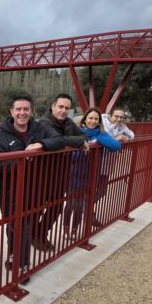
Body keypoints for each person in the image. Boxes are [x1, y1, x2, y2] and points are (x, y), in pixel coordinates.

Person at [0, 95, 65, 284]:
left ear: (31, 111)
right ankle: (17, 260)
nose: (22, 113)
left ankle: (18, 261)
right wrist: (24, 158)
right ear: (11, 112)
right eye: (18, 109)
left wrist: (40, 145)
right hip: (11, 194)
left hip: (35, 190)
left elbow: (59, 141)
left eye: (26, 109)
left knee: (24, 229)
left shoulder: (40, 129)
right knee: (14, 228)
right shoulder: (1, 137)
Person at [33, 93, 90, 251]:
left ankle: (40, 235)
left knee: (56, 207)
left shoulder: (68, 123)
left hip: (60, 173)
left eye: (67, 108)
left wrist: (79, 139)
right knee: (36, 209)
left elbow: (84, 134)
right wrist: (78, 142)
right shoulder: (43, 123)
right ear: (52, 107)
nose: (63, 110)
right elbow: (58, 140)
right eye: (60, 107)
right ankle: (30, 237)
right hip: (42, 174)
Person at [63, 107, 121, 240]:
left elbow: (116, 147)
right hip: (74, 175)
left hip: (89, 176)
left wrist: (102, 137)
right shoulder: (77, 133)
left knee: (80, 204)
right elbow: (71, 155)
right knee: (72, 203)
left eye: (96, 119)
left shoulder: (100, 135)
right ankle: (66, 228)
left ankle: (74, 229)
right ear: (84, 120)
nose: (93, 121)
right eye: (90, 118)